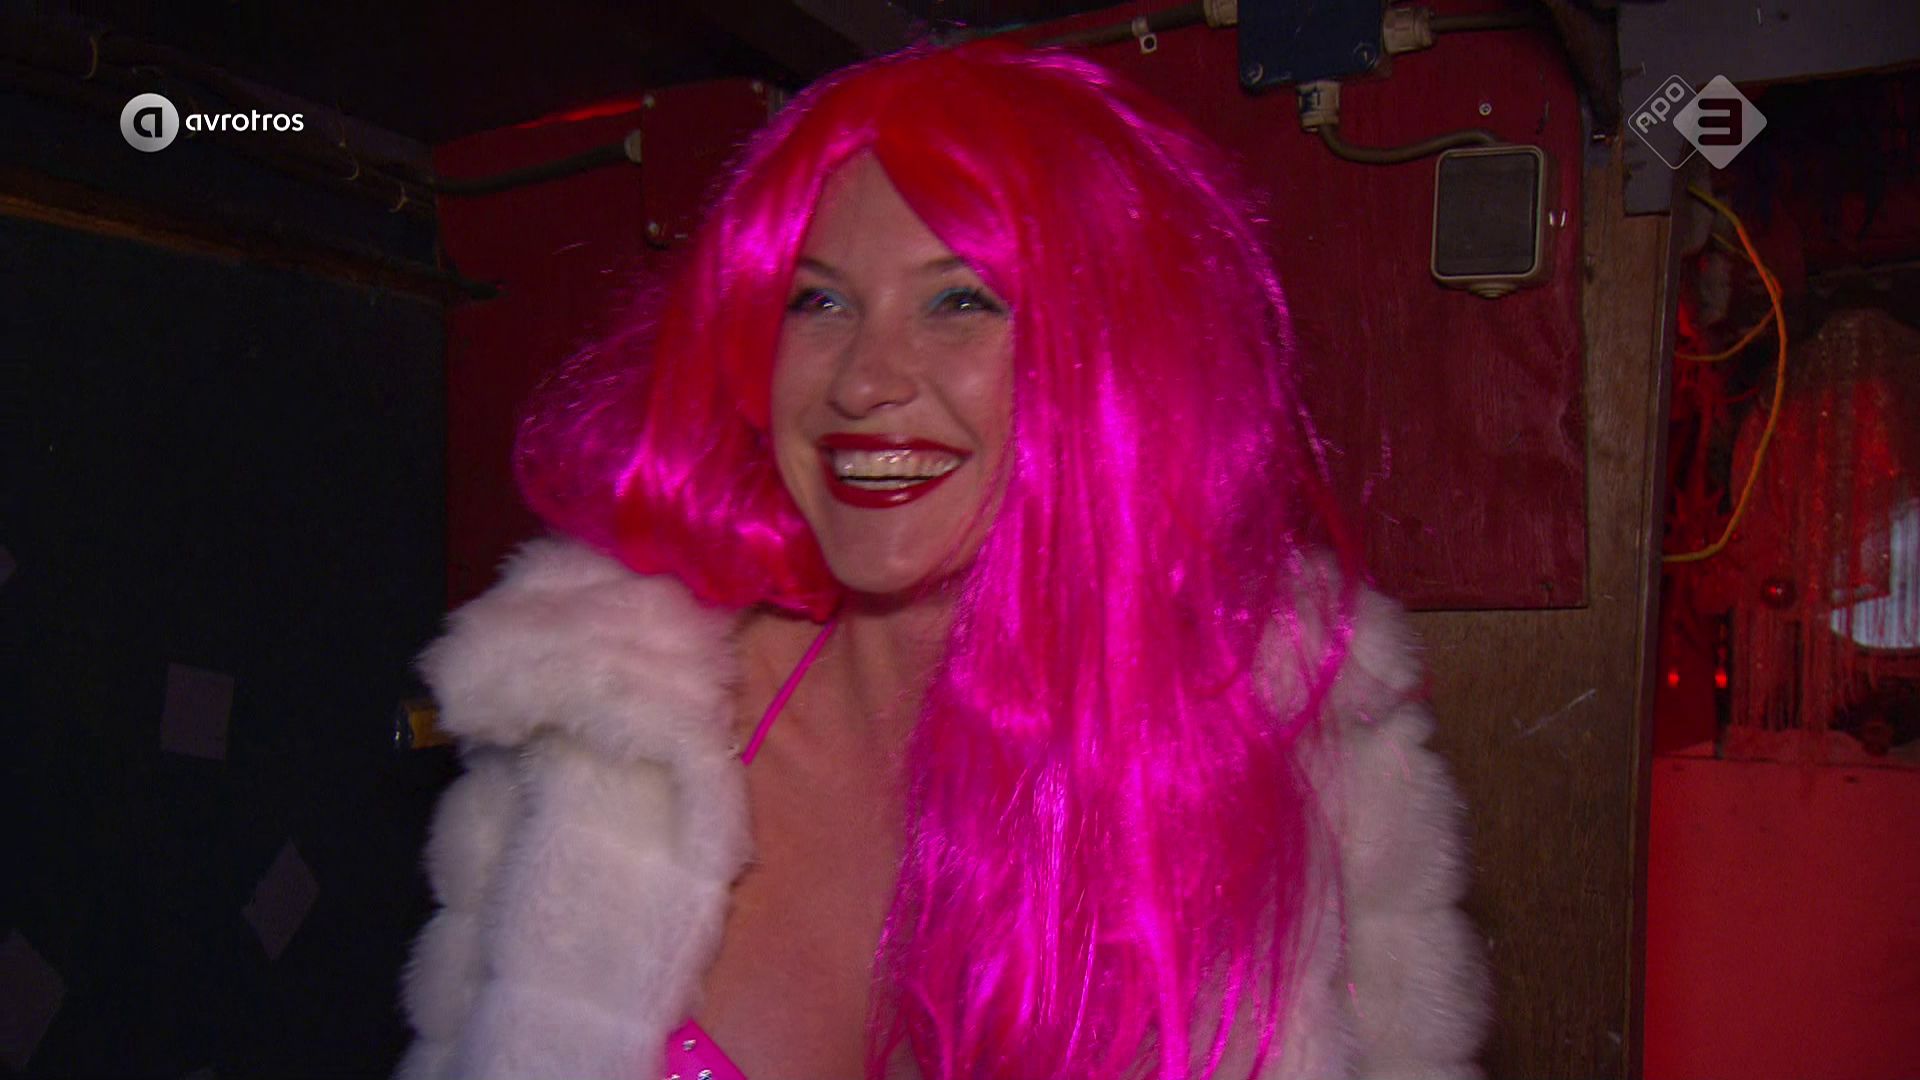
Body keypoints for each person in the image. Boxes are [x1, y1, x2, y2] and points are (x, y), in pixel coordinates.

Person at [395, 39, 1489, 1080]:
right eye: (818, 301)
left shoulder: (1291, 745)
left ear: (1114, 360)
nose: (865, 380)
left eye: (960, 301)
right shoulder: (604, 732)